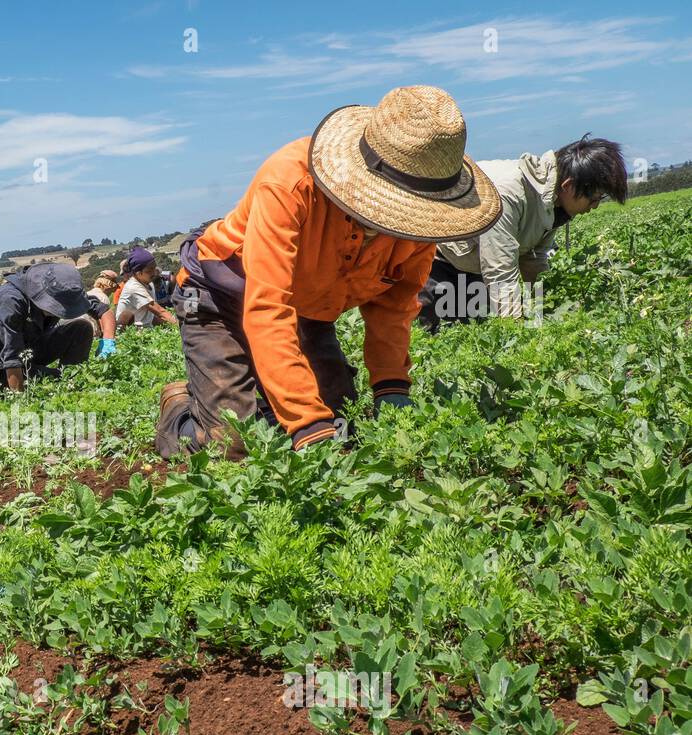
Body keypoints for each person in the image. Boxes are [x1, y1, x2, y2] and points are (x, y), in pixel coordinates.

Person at [155, 85, 502, 459]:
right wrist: (306, 423)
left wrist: (391, 386)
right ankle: (179, 410)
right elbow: (268, 308)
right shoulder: (290, 182)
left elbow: (395, 305)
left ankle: (265, 397)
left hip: (309, 306)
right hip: (217, 297)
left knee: (343, 424)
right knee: (237, 445)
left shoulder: (423, 222)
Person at [417, 134, 627, 330]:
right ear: (569, 186)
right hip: (436, 258)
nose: (595, 206)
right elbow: (500, 271)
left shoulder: (551, 199)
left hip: (474, 264)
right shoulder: (510, 195)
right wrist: (517, 334)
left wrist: (551, 308)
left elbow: (533, 261)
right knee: (433, 334)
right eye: (595, 198)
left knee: (472, 329)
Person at [0, 262, 109, 390]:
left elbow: (103, 311)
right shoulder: (12, 301)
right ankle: (64, 382)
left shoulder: (65, 290)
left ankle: (69, 376)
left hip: (30, 348)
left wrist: (108, 341)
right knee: (59, 380)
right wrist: (22, 404)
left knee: (82, 328)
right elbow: (11, 358)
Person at [115, 247, 178, 331]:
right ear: (138, 273)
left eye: (154, 268)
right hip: (131, 333)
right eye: (149, 270)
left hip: (145, 330)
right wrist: (180, 326)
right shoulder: (133, 287)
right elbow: (159, 311)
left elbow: (150, 317)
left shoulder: (149, 283)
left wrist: (168, 326)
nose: (154, 272)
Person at [86, 269, 120, 357]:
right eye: (112, 290)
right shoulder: (103, 298)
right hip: (92, 336)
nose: (111, 293)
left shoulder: (88, 293)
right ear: (109, 286)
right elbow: (103, 322)